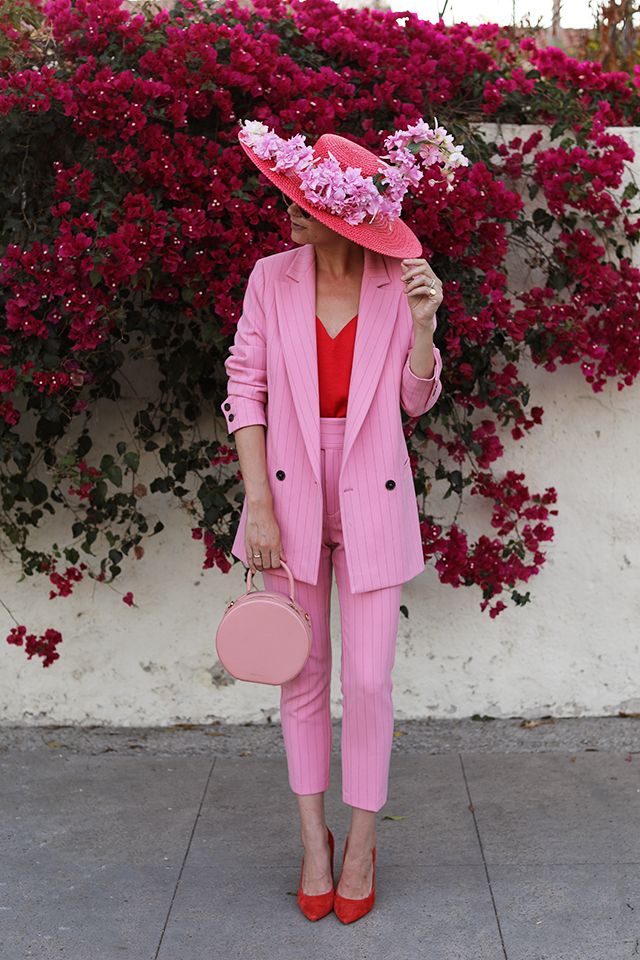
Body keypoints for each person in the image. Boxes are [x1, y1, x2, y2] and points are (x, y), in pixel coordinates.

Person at [220, 121, 446, 923]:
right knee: (303, 674)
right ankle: (313, 841)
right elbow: (244, 390)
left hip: (373, 490)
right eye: (291, 199)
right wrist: (259, 503)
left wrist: (424, 329)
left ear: (346, 217)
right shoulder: (269, 278)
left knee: (370, 679)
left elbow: (415, 402)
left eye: (306, 204)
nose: (288, 212)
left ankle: (361, 841)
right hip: (287, 488)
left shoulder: (399, 279)